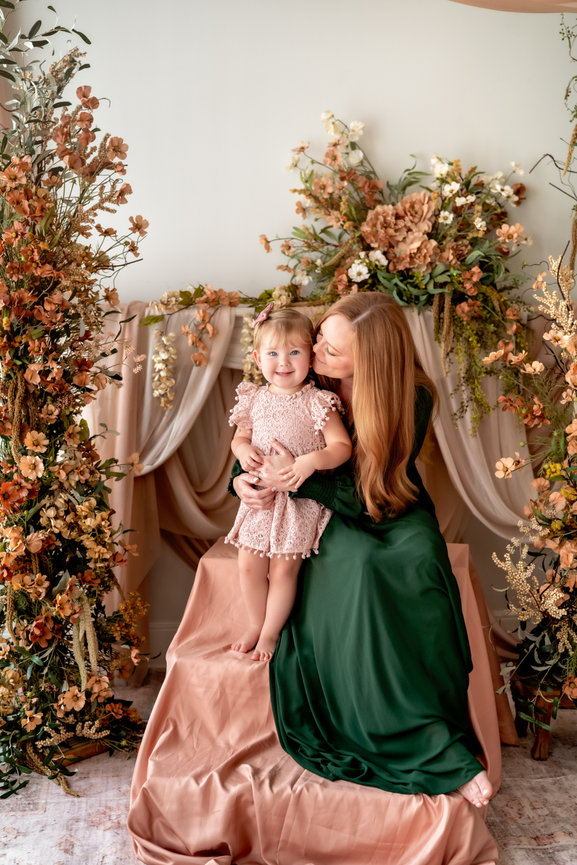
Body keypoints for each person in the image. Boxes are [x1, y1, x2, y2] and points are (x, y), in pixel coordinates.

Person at [232, 291, 494, 809]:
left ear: (370, 361)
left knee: (420, 562)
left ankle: (436, 738)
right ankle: (399, 734)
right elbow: (258, 435)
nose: (313, 352)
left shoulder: (411, 395)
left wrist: (296, 477)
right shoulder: (306, 375)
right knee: (360, 566)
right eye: (319, 340)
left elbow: (374, 490)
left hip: (384, 501)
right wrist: (242, 481)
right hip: (316, 508)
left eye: (330, 350)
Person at [225, 304, 352, 661]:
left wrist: (310, 462)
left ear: (311, 357)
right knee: (248, 565)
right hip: (261, 499)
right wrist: (242, 450)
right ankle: (255, 622)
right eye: (273, 354)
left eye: (294, 352)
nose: (283, 362)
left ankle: (270, 632)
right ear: (257, 358)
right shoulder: (253, 398)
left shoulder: (318, 402)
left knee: (283, 570)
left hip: (299, 503)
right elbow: (239, 437)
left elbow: (341, 447)